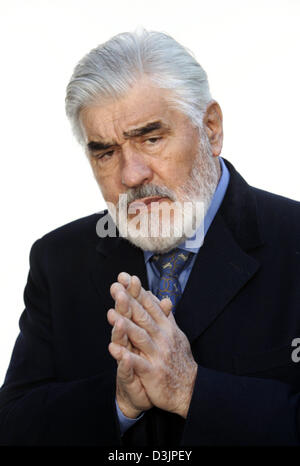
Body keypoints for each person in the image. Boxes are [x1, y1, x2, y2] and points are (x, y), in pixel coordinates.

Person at [0, 29, 299, 446]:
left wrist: (191, 390)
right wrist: (118, 403)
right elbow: (13, 426)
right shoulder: (58, 259)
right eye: (105, 152)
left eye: (151, 139)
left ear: (210, 129)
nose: (131, 175)